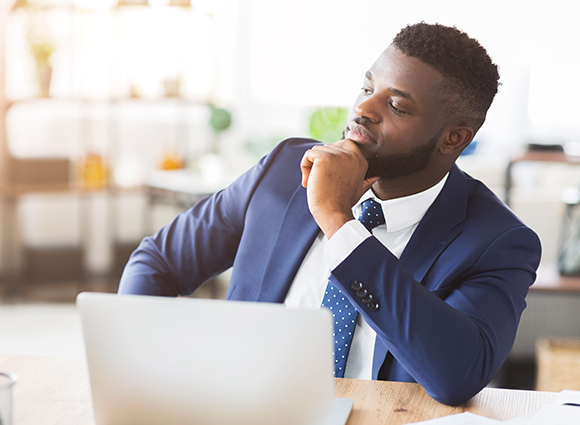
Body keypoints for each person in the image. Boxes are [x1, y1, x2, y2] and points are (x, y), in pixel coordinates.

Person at [119, 22, 541, 406]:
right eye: (366, 87)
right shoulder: (284, 171)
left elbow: (456, 375)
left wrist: (339, 222)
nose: (364, 110)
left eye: (396, 105)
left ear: (453, 139)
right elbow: (158, 262)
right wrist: (150, 370)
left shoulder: (497, 242)